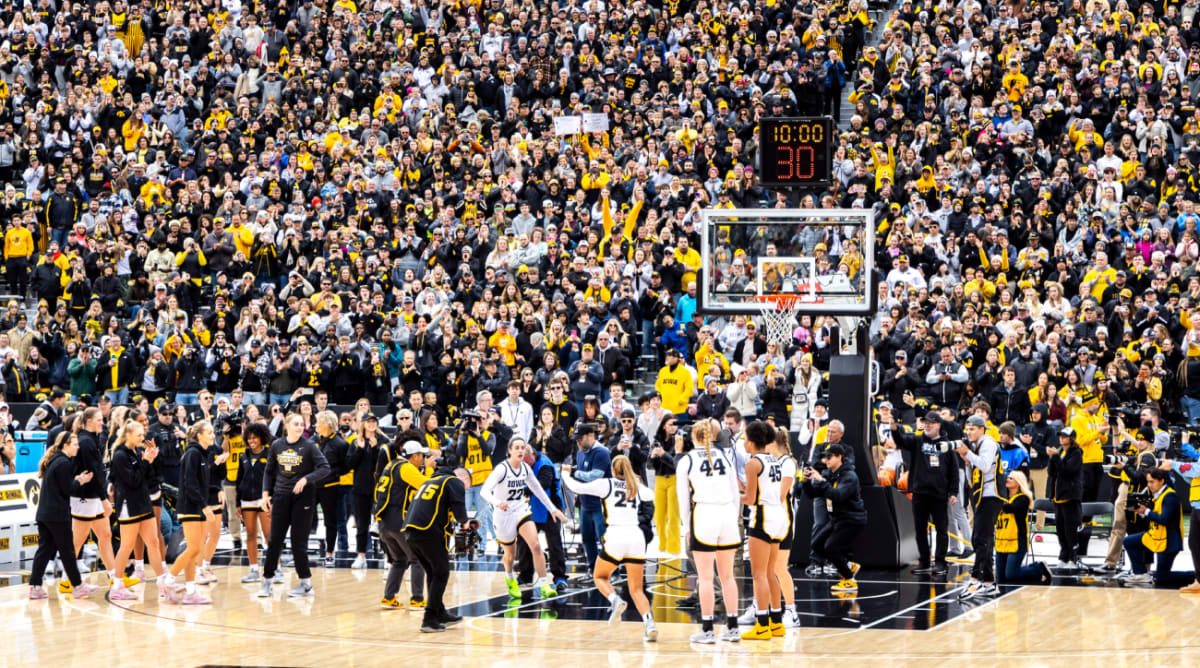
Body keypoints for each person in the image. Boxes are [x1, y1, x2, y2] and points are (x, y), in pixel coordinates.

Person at [562, 454, 658, 641]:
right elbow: (650, 495)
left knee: (599, 576)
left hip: (616, 535)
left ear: (613, 470)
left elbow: (576, 487)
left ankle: (615, 599)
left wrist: (565, 474)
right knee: (637, 589)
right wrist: (636, 483)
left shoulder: (606, 484)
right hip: (636, 537)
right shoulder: (636, 486)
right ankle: (649, 624)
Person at [676, 418, 742, 644]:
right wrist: (732, 519)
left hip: (704, 514)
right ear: (714, 435)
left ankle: (707, 628)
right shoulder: (726, 456)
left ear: (693, 437)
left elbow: (683, 500)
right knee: (727, 576)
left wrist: (686, 527)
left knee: (704, 577)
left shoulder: (686, 460)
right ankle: (733, 628)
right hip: (727, 515)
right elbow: (736, 495)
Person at [482, 438, 567, 598]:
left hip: (521, 511)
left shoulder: (525, 469)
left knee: (536, 545)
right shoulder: (502, 469)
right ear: (510, 451)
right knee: (509, 556)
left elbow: (538, 490)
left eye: (523, 448)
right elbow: (484, 491)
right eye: (517, 448)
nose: (520, 451)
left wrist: (553, 509)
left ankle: (544, 584)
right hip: (503, 515)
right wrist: (497, 502)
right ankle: (509, 577)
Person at [257, 413, 331, 599]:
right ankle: (267, 581)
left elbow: (325, 468)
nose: (299, 427)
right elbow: (269, 471)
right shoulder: (277, 445)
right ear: (287, 425)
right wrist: (266, 494)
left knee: (299, 542)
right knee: (275, 540)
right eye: (296, 424)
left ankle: (306, 584)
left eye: (301, 424)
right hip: (281, 497)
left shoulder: (309, 446)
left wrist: (306, 479)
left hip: (303, 498)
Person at [28, 432, 100, 600]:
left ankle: (35, 586)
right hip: (57, 514)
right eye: (75, 444)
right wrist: (80, 481)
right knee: (67, 551)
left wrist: (76, 479)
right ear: (66, 445)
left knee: (44, 550)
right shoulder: (63, 463)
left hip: (45, 513)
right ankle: (78, 586)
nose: (78, 447)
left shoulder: (55, 460)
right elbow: (68, 490)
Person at [739, 420, 792, 640]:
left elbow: (750, 499)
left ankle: (761, 624)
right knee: (770, 573)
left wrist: (734, 496)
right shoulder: (775, 459)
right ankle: (776, 623)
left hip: (763, 516)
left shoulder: (753, 463)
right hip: (779, 515)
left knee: (758, 574)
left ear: (751, 442)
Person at [108, 418, 171, 600]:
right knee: (126, 545)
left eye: (143, 434)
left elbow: (148, 477)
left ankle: (162, 582)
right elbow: (133, 480)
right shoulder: (120, 455)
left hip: (144, 501)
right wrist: (145, 461)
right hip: (129, 504)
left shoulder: (137, 451)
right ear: (127, 435)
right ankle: (117, 585)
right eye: (139, 435)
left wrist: (151, 458)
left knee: (152, 542)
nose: (142, 437)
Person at [891, 411, 959, 575]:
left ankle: (941, 562)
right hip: (920, 492)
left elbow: (954, 470)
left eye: (931, 423)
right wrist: (894, 429)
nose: (927, 425)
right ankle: (924, 561)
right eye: (925, 422)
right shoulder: (917, 440)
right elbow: (901, 440)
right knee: (920, 529)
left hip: (939, 494)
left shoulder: (946, 444)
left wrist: (953, 492)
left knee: (942, 529)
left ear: (939, 425)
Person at [403, 469, 472, 633]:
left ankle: (439, 612)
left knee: (434, 573)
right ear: (464, 478)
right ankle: (429, 619)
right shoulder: (453, 481)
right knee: (441, 572)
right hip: (427, 530)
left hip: (410, 531)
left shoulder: (429, 482)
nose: (466, 489)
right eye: (468, 485)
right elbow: (459, 511)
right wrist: (465, 522)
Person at [802, 443, 867, 593]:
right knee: (817, 544)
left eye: (829, 457)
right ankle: (849, 565)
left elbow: (838, 496)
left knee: (831, 548)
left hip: (852, 520)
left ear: (839, 457)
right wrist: (806, 482)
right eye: (825, 457)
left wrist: (821, 481)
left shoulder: (849, 476)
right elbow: (813, 494)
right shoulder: (828, 474)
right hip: (837, 519)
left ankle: (850, 580)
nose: (826, 460)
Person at [375, 440, 431, 609]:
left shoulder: (392, 465)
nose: (423, 459)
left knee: (399, 560)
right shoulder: (406, 468)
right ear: (414, 456)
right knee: (417, 558)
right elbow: (427, 485)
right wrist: (429, 469)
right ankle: (417, 599)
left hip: (384, 523)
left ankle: (389, 597)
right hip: (399, 521)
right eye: (422, 456)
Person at [168, 421, 217, 604]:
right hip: (190, 507)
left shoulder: (203, 454)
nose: (213, 435)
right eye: (209, 432)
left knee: (194, 551)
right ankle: (168, 580)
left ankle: (190, 591)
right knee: (195, 548)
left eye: (213, 432)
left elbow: (202, 484)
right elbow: (190, 484)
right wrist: (204, 505)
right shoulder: (193, 453)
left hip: (197, 506)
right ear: (199, 435)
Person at [956, 414, 1003, 599]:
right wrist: (967, 462)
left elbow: (984, 466)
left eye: (972, 428)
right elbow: (972, 478)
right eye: (967, 429)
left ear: (982, 429)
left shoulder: (989, 443)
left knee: (980, 538)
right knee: (985, 539)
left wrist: (967, 454)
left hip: (991, 495)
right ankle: (989, 583)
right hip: (980, 495)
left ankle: (975, 580)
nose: (969, 432)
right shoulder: (976, 447)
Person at [1101, 426, 1159, 573]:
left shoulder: (1147, 456)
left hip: (1141, 498)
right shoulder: (1143, 455)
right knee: (1133, 532)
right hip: (1134, 497)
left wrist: (1125, 466)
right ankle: (1137, 569)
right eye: (1138, 439)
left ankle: (1141, 570)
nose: (1139, 442)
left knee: (1140, 534)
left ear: (1149, 441)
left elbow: (1140, 476)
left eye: (1142, 440)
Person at [70, 408, 116, 584]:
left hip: (93, 495)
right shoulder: (85, 442)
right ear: (88, 421)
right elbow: (94, 473)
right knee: (77, 541)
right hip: (84, 496)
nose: (101, 423)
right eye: (98, 420)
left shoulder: (92, 439)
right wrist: (104, 499)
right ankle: (68, 580)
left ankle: (114, 578)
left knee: (105, 536)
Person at [514, 440, 568, 591]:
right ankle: (525, 575)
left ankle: (560, 577)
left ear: (532, 454)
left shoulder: (544, 464)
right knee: (524, 542)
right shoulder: (521, 464)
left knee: (554, 544)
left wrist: (522, 490)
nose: (525, 464)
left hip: (551, 508)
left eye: (526, 460)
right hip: (531, 508)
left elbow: (543, 484)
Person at [1120, 469, 1184, 586]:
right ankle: (1140, 574)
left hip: (1168, 542)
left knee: (1162, 578)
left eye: (1152, 482)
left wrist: (1146, 511)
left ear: (1162, 481)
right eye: (1148, 482)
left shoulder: (1170, 497)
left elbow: (1164, 520)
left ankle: (1196, 577)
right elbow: (1154, 519)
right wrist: (1141, 512)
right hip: (1155, 536)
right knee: (1129, 541)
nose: (1149, 485)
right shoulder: (1157, 495)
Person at [994, 471, 1052, 584]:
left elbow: (1009, 508)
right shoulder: (1002, 497)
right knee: (1001, 578)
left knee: (1011, 575)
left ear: (1019, 482)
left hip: (1017, 542)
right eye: (1008, 477)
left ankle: (1038, 567)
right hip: (1001, 541)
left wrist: (995, 502)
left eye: (1011, 478)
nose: (1007, 479)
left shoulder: (1023, 499)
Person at [349, 413, 389, 570]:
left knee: (383, 524)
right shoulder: (356, 441)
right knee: (361, 524)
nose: (371, 424)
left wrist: (373, 450)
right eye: (369, 421)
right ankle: (361, 555)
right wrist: (359, 449)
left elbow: (381, 466)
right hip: (360, 488)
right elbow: (350, 464)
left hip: (380, 488)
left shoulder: (384, 442)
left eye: (374, 421)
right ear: (363, 424)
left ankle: (388, 557)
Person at [570, 423, 611, 569]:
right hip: (585, 503)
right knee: (587, 539)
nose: (578, 442)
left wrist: (574, 473)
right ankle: (593, 568)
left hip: (600, 504)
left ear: (590, 436)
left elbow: (595, 476)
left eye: (580, 439)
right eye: (576, 440)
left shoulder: (601, 452)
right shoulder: (581, 452)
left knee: (604, 539)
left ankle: (613, 572)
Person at [313, 410, 351, 566]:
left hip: (331, 487)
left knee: (331, 521)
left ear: (327, 424)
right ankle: (300, 549)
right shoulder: (316, 440)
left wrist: (332, 474)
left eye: (318, 422)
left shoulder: (341, 444)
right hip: (313, 486)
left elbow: (346, 467)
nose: (316, 425)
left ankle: (329, 553)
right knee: (303, 516)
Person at [237, 423, 273, 583]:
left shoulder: (270, 454)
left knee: (269, 535)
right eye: (249, 437)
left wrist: (272, 498)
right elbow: (239, 480)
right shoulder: (243, 456)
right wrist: (238, 503)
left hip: (264, 499)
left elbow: (274, 478)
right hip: (246, 499)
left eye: (255, 437)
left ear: (262, 437)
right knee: (251, 534)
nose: (251, 440)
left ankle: (275, 569)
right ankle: (253, 570)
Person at [1047, 427, 1084, 571]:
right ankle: (1063, 555)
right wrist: (1052, 458)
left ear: (1071, 438)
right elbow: (1052, 472)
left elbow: (1067, 472)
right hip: (1058, 495)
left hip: (1070, 496)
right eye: (1060, 436)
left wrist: (1055, 457)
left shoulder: (1076, 453)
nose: (1061, 438)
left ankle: (1073, 557)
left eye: (1065, 436)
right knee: (1060, 529)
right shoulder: (1059, 451)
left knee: (1070, 529)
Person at [1163, 457, 1200, 593]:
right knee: (1194, 543)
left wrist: (1173, 464)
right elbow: (1194, 478)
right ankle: (1199, 581)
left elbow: (1197, 470)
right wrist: (1177, 468)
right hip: (1196, 504)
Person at [649, 415, 683, 557]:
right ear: (663, 425)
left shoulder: (680, 440)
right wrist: (652, 456)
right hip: (660, 479)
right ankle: (662, 544)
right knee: (659, 515)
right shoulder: (657, 440)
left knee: (673, 515)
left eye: (675, 424)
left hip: (674, 478)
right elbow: (650, 466)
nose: (673, 427)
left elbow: (676, 462)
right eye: (670, 424)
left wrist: (663, 455)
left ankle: (674, 547)